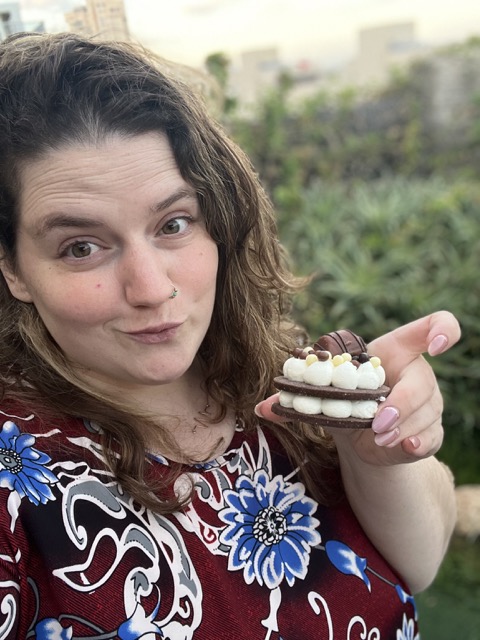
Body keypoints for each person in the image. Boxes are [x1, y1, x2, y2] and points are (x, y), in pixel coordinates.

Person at [0, 32, 460, 640]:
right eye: (81, 247)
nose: (151, 288)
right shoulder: (14, 478)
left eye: (173, 224)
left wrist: (377, 455)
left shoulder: (282, 381)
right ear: (14, 269)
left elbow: (419, 567)